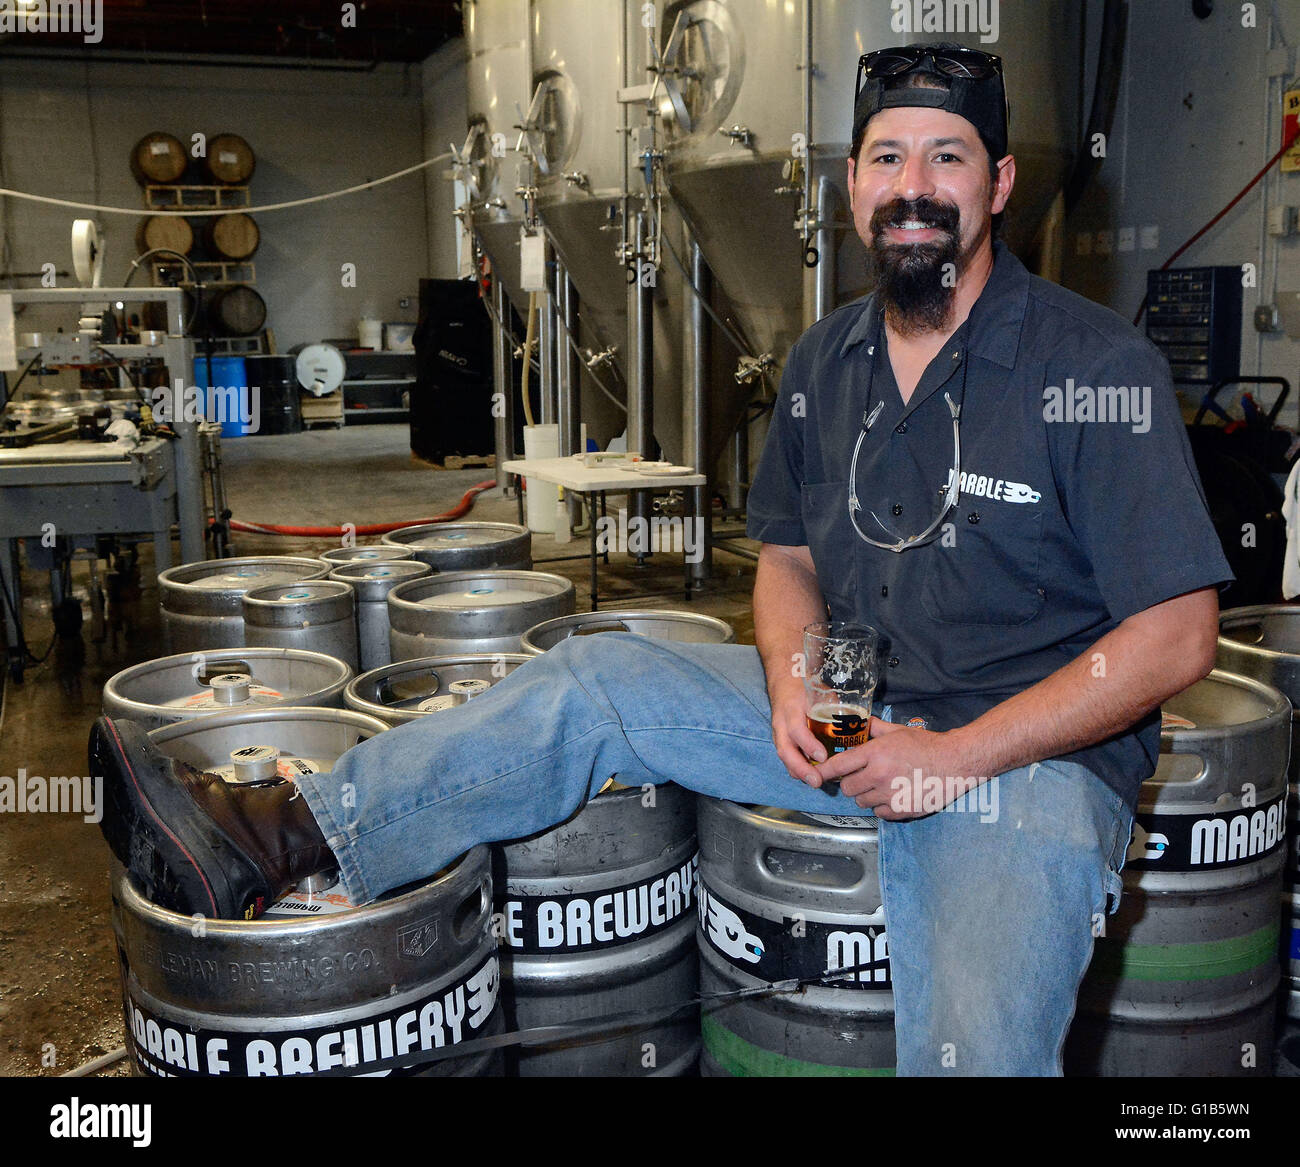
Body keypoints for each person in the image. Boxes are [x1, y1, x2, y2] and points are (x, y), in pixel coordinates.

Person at [90, 43, 1231, 1076]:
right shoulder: (825, 360)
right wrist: (791, 682)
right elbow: (782, 555)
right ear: (851, 187)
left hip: (1022, 760)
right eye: (887, 157)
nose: (914, 187)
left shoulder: (1096, 366)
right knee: (600, 679)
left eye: (947, 157)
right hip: (856, 708)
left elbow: (1177, 635)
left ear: (998, 186)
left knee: (975, 1044)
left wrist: (961, 755)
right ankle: (285, 833)